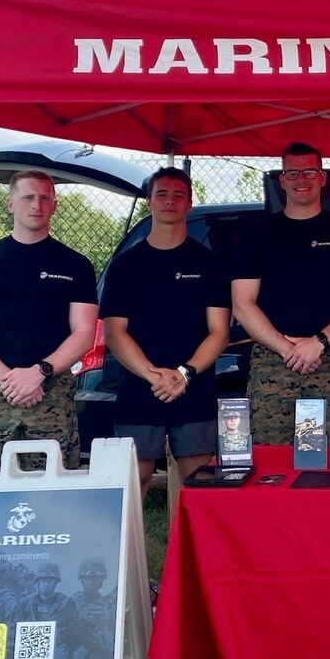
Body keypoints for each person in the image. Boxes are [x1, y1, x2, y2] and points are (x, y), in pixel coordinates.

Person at [231, 142, 330, 445]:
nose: (301, 180)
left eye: (309, 172)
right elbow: (242, 304)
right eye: (292, 173)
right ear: (281, 180)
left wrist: (319, 342)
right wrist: (287, 348)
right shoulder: (256, 234)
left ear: (322, 177)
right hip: (273, 363)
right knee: (271, 464)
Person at [0, 170, 97, 471]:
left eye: (45, 198)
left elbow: (84, 333)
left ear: (54, 206)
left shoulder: (76, 265)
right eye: (28, 197)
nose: (37, 205)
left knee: (53, 487)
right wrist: (10, 380)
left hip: (52, 391)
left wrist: (39, 373)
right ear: (10, 204)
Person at [100, 167, 230, 500]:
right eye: (162, 194)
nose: (170, 201)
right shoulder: (126, 265)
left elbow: (219, 331)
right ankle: (130, 554)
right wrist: (154, 375)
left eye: (178, 195)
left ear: (189, 203)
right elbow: (114, 332)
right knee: (135, 480)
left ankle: (191, 554)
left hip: (194, 385)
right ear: (148, 202)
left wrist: (184, 374)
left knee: (198, 483)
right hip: (141, 387)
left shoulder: (209, 263)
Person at [19, 563, 78, 659]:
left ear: (55, 583)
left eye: (50, 581)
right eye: (43, 580)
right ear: (38, 582)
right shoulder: (26, 603)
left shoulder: (66, 603)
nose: (46, 584)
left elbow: (77, 633)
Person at [69, 557, 115, 659]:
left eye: (95, 578)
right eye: (88, 578)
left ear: (102, 580)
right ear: (82, 579)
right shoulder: (72, 602)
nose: (92, 581)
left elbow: (114, 628)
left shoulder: (109, 604)